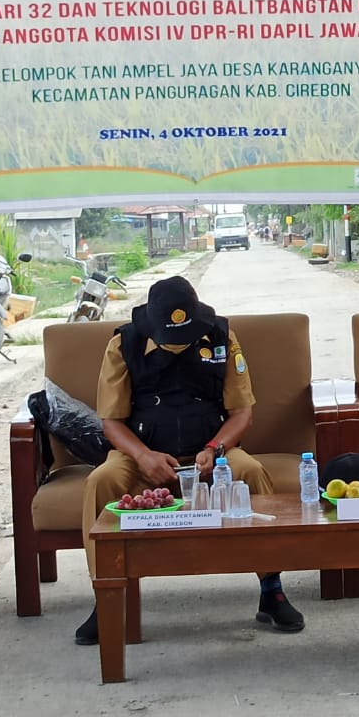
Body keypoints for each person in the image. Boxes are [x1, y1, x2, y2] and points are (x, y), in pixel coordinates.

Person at [75, 275, 304, 644]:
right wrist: (143, 456)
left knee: (251, 472)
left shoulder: (221, 338)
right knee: (101, 481)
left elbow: (242, 414)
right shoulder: (124, 343)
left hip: (211, 456)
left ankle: (271, 589)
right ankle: (106, 597)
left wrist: (215, 448)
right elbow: (111, 422)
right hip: (142, 456)